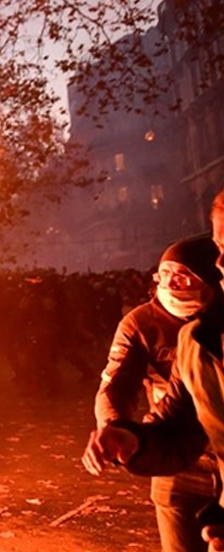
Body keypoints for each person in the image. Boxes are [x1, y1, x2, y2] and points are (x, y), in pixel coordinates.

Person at [86, 189, 224, 551]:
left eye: (184, 274)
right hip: (181, 463)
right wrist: (121, 433)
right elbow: (171, 416)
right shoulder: (187, 337)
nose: (172, 282)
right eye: (165, 273)